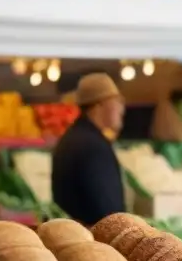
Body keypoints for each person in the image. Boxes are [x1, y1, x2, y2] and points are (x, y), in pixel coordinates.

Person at [51, 73, 126, 225]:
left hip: (74, 235)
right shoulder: (94, 146)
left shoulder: (71, 137)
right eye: (116, 101)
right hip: (95, 240)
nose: (121, 109)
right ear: (98, 105)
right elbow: (108, 210)